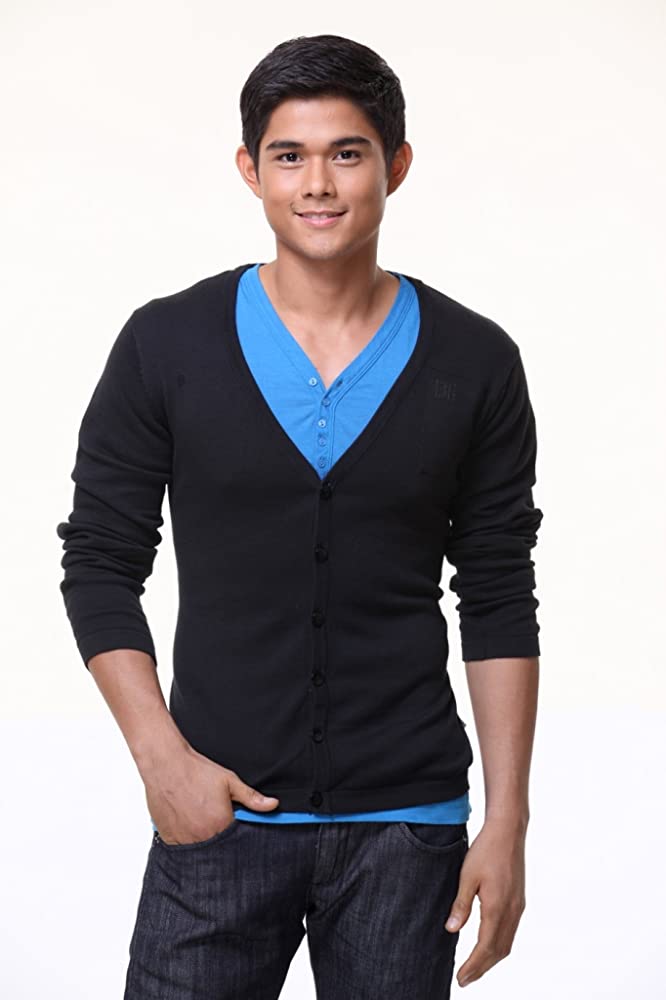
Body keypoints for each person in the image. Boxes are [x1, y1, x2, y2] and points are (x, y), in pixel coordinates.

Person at [56, 33, 544, 1000]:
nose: (318, 184)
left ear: (396, 165)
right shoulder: (167, 345)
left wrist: (507, 822)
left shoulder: (475, 360)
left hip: (407, 831)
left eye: (347, 153)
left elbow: (498, 593)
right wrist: (164, 764)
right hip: (217, 817)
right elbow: (100, 562)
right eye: (290, 156)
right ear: (251, 169)